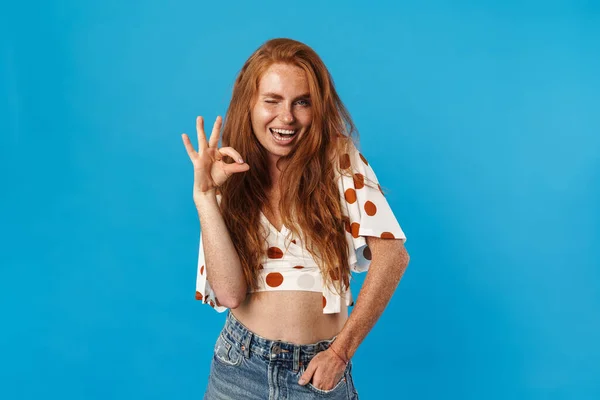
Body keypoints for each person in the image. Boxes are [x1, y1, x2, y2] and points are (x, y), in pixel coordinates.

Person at [181, 38, 410, 399]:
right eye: (272, 101)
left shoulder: (339, 160)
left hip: (316, 373)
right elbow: (229, 293)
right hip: (238, 367)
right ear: (250, 105)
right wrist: (206, 197)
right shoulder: (229, 170)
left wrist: (340, 352)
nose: (286, 117)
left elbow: (394, 255)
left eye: (301, 102)